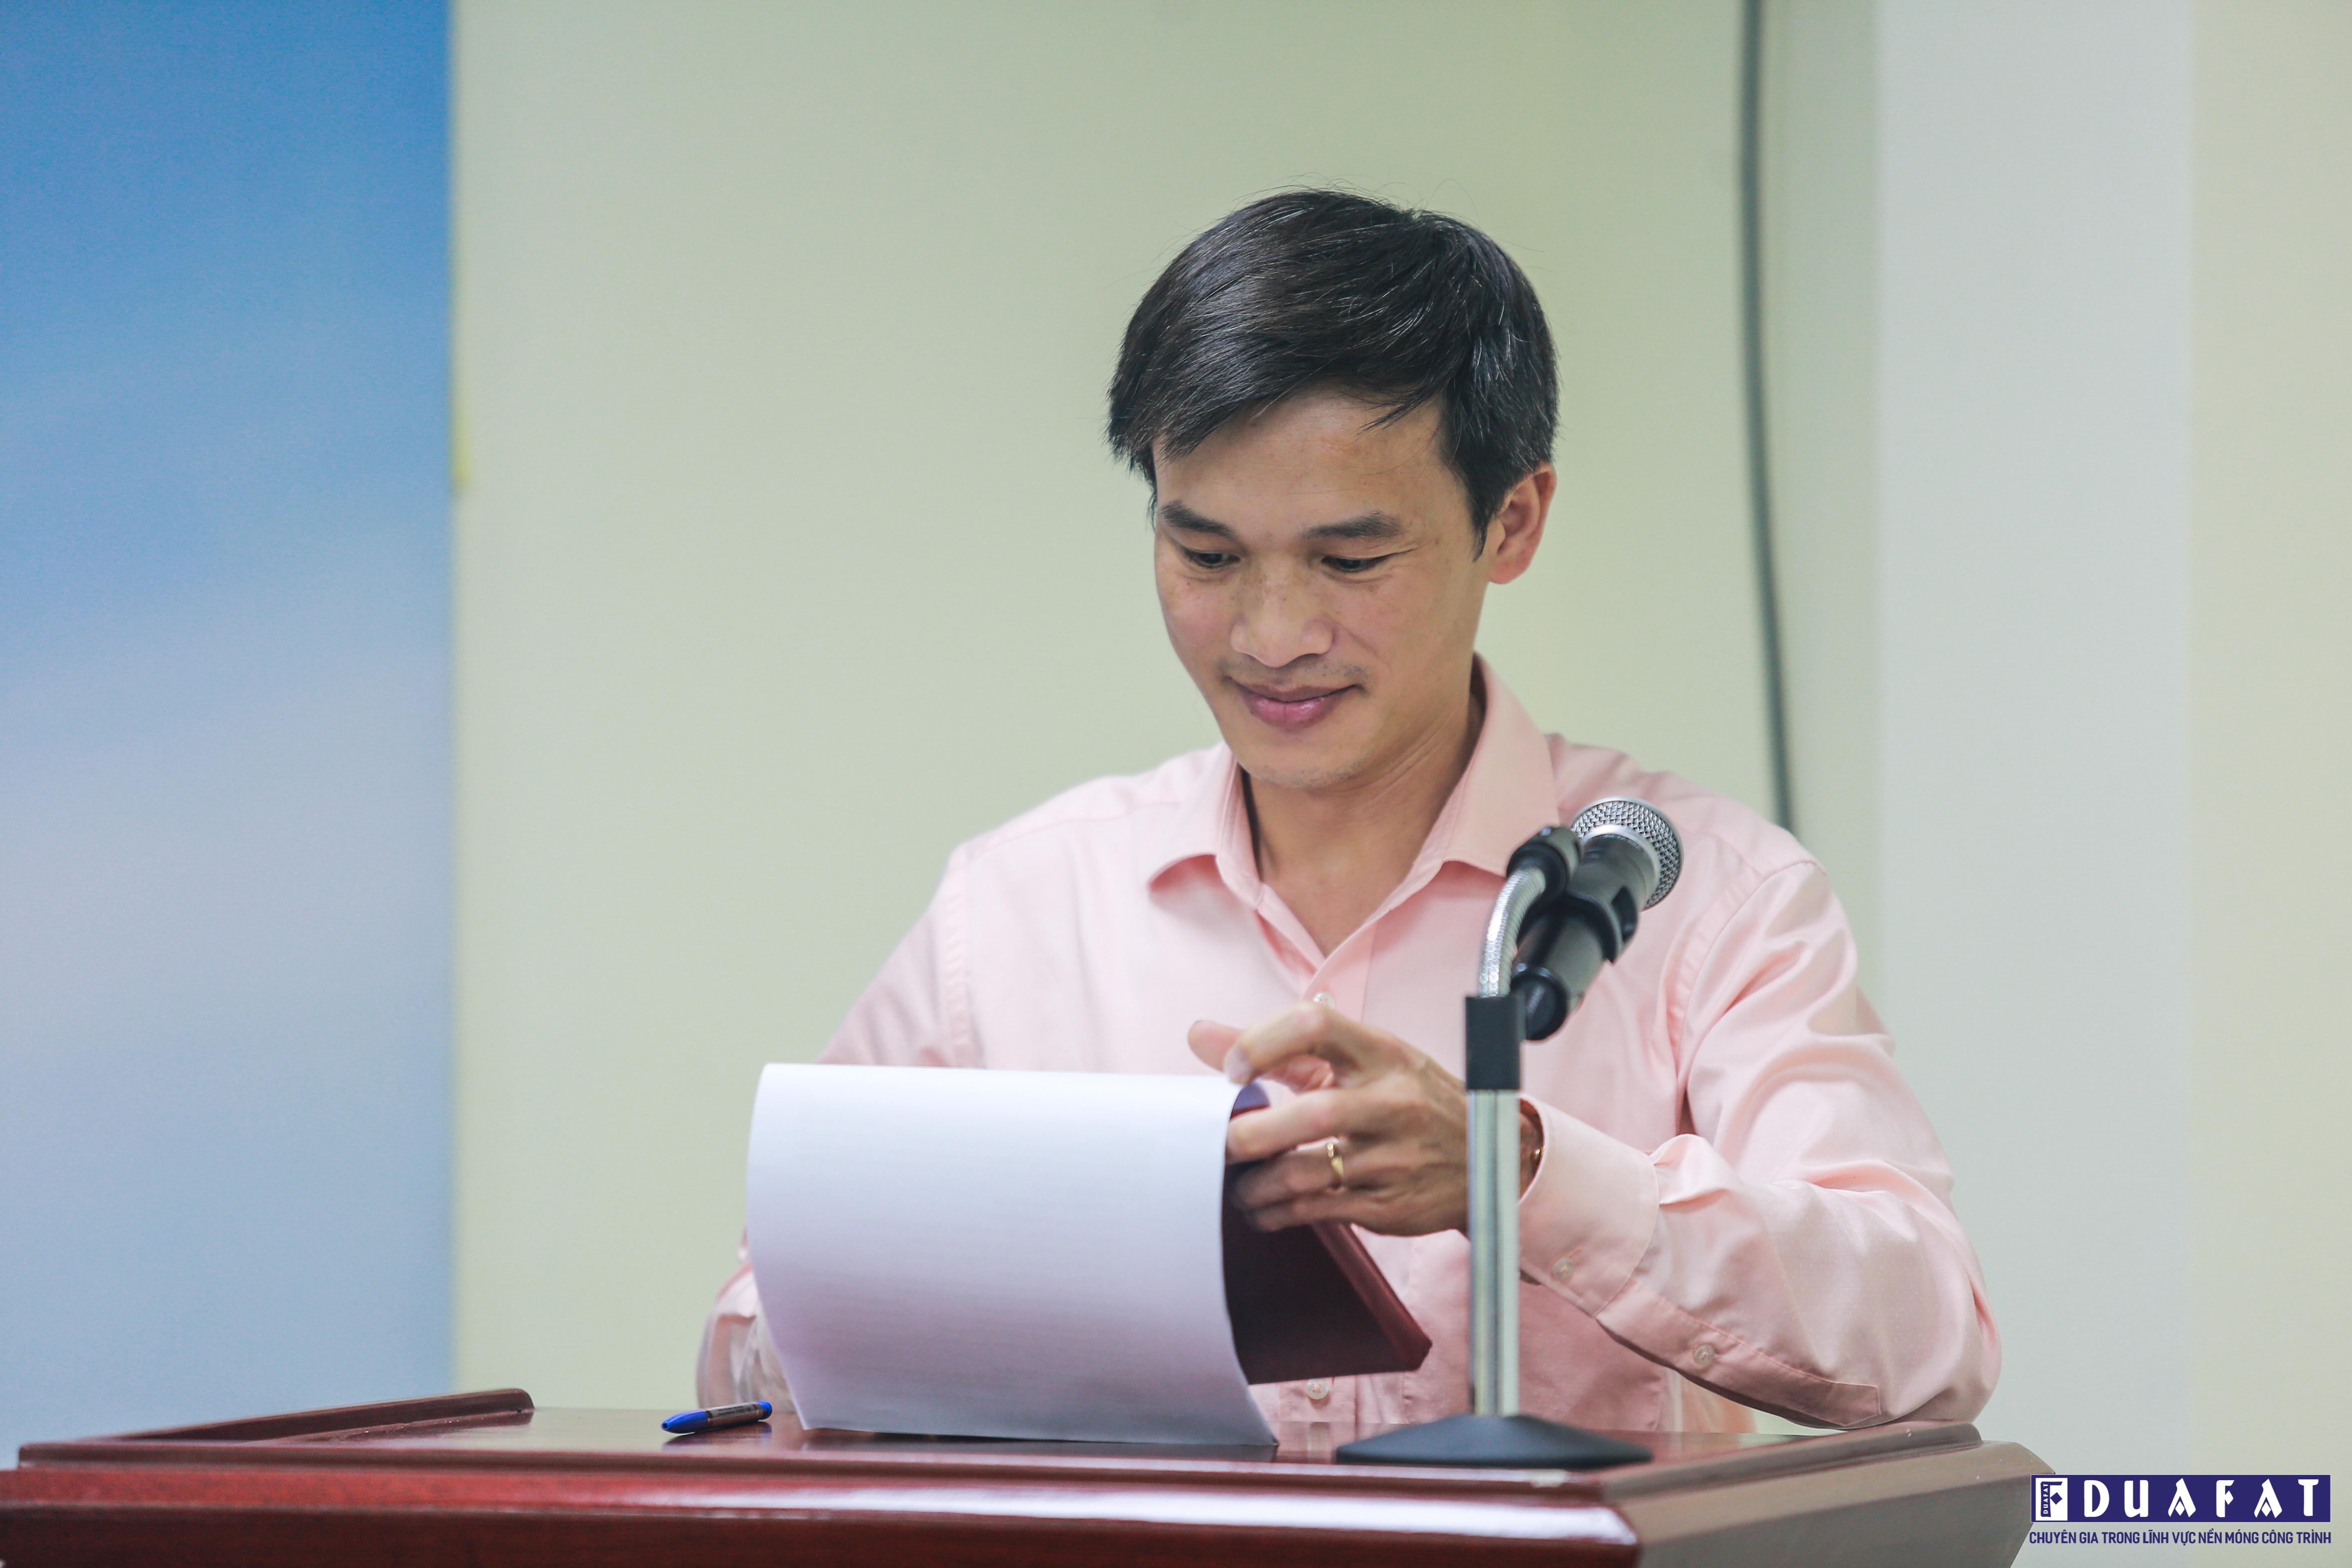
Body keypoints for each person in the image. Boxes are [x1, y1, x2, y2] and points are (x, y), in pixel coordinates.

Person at [699, 190, 1998, 1434]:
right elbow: (751, 1338)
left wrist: (1520, 1170)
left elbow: (1929, 1336)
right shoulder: (1021, 905)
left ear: (1513, 522)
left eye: (1350, 559)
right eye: (1206, 555)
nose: (1272, 635)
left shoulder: (1709, 899)